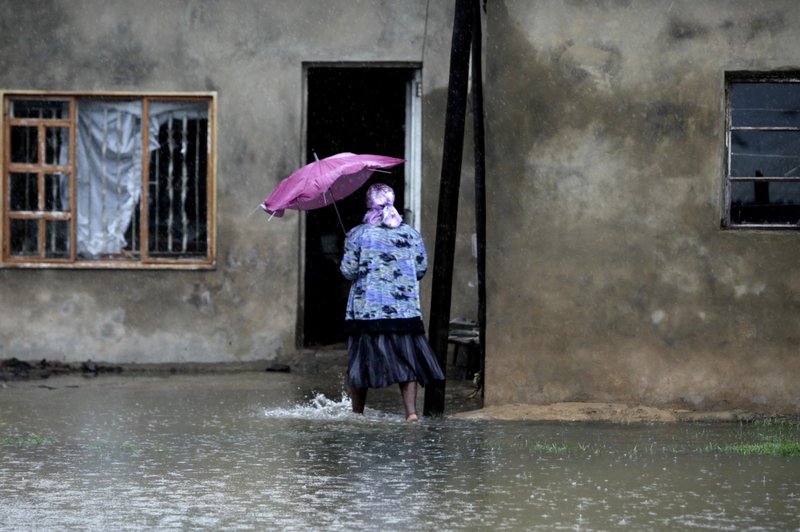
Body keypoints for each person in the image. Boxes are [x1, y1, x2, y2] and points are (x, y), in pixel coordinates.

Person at [339, 183, 445, 421]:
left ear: (369, 203)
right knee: (407, 360)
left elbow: (348, 271)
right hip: (404, 310)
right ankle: (412, 413)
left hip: (367, 311)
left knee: (360, 363)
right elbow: (420, 269)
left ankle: (357, 413)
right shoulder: (410, 234)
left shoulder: (358, 234)